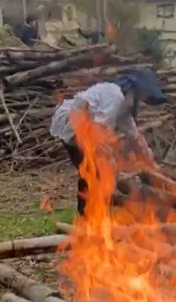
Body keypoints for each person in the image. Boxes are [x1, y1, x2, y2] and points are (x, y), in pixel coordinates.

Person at [49, 68, 167, 215]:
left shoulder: (123, 105)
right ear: (136, 89)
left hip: (85, 128)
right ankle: (90, 214)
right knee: (93, 169)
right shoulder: (115, 96)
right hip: (73, 125)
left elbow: (135, 138)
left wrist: (153, 166)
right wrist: (110, 159)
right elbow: (98, 130)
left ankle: (94, 212)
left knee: (96, 170)